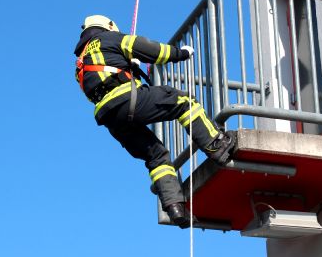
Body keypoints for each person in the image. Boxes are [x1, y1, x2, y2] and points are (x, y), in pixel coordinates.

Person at [74, 15, 235, 228]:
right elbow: (151, 50)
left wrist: (128, 65)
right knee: (183, 102)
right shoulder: (110, 39)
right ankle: (217, 145)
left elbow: (104, 77)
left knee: (156, 156)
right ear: (109, 26)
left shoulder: (80, 63)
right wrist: (180, 54)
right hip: (127, 99)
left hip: (110, 117)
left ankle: (174, 206)